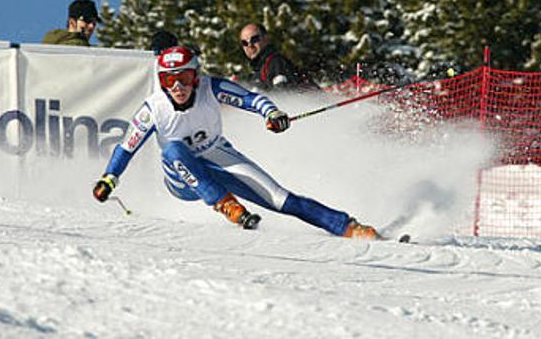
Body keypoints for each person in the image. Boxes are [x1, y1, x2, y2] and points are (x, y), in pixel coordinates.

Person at [92, 45, 379, 239]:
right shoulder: (153, 108)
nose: (178, 87)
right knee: (173, 149)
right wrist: (109, 179)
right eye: (169, 81)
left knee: (279, 197)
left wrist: (272, 113)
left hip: (218, 156)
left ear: (196, 75)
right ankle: (226, 204)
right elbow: (126, 147)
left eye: (184, 77)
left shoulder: (210, 87)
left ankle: (348, 227)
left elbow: (250, 99)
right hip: (181, 178)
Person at [239, 23, 317, 91]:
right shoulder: (257, 71)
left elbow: (285, 95)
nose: (250, 45)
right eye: (244, 43)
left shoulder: (275, 62)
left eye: (254, 39)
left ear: (266, 39)